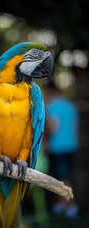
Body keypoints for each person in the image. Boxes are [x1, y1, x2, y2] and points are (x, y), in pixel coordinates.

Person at [45, 81, 79, 219]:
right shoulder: (70, 105)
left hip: (58, 148)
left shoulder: (52, 106)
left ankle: (72, 208)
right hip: (71, 146)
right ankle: (60, 206)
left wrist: (44, 135)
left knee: (62, 180)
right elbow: (75, 127)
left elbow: (53, 128)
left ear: (50, 91)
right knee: (62, 177)